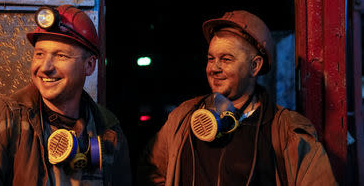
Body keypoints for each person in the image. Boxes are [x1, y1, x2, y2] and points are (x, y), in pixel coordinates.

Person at [138, 10, 336, 186]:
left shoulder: (286, 131)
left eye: (226, 59)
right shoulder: (182, 118)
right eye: (210, 58)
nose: (214, 68)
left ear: (254, 66)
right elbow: (150, 172)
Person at [0, 5, 132, 186]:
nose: (45, 67)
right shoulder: (1, 120)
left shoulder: (109, 130)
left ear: (89, 65)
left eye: (61, 56)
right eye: (40, 54)